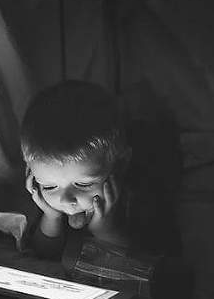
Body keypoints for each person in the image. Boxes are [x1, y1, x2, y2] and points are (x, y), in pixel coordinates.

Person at [21, 80, 133, 259]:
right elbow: (44, 255)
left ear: (120, 165)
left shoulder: (136, 200)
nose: (66, 200)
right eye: (49, 187)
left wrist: (105, 230)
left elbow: (133, 267)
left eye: (83, 184)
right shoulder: (48, 205)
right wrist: (51, 217)